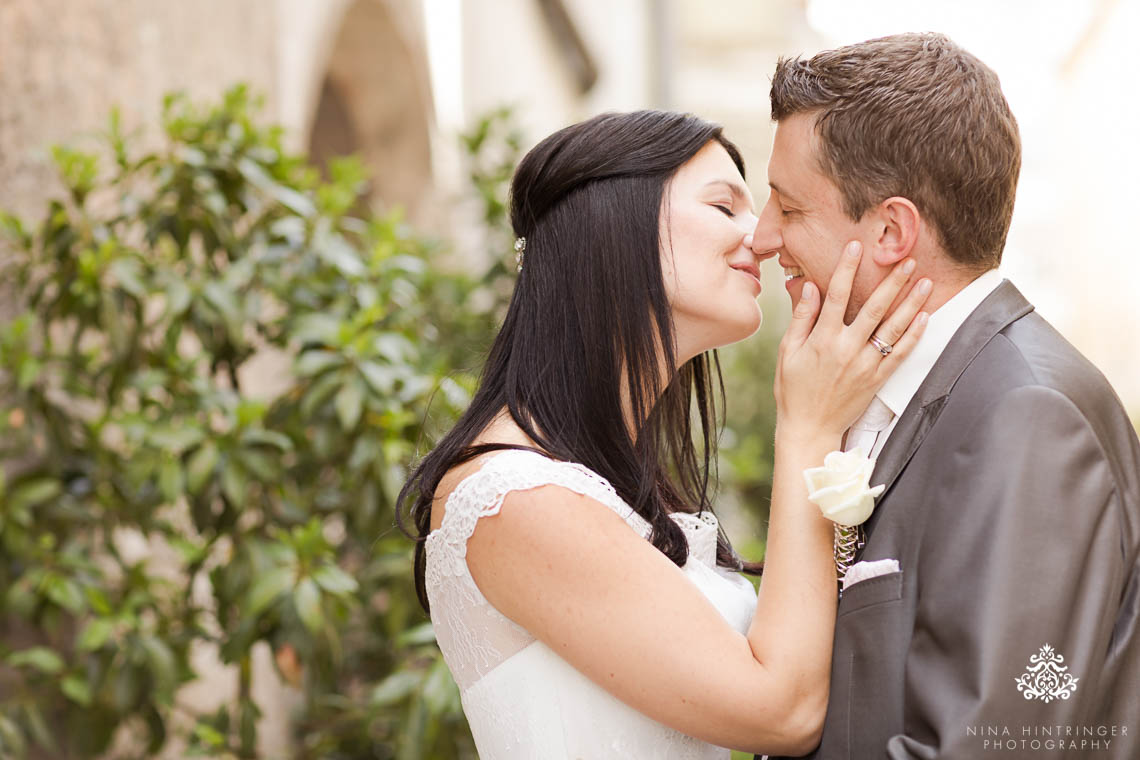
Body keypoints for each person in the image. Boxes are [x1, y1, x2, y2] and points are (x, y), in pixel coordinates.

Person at [397, 109, 932, 757]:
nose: (762, 238)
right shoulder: (513, 496)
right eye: (723, 205)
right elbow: (781, 713)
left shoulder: (608, 484)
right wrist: (808, 427)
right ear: (612, 225)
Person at [756, 33, 1140, 760]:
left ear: (892, 231)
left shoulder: (1026, 416)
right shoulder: (917, 394)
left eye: (789, 209)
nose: (762, 235)